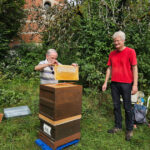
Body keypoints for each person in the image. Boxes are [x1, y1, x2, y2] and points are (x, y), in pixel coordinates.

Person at [102, 31, 138, 141]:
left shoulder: (130, 52)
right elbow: (109, 68)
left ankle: (129, 129)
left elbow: (135, 68)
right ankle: (118, 126)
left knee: (127, 107)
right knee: (116, 106)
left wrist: (135, 84)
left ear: (123, 40)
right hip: (114, 84)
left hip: (127, 83)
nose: (116, 43)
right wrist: (105, 82)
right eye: (114, 41)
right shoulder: (112, 53)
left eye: (118, 40)